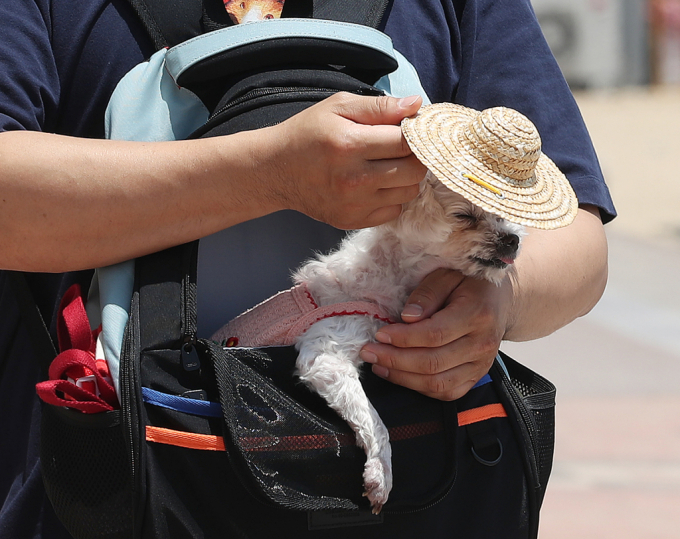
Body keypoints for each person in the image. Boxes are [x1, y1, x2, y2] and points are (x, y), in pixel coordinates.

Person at [0, 0, 615, 537]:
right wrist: (269, 174)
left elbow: (577, 238)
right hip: (110, 488)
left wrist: (499, 296)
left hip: (171, 478)